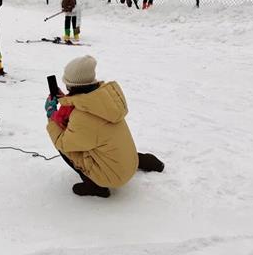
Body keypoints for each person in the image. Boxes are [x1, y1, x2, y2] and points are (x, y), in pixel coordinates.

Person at [45, 55, 164, 198]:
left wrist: (51, 116)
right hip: (131, 160)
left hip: (115, 176)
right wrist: (68, 100)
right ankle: (145, 161)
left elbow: (64, 142)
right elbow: (85, 109)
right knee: (109, 139)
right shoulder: (104, 100)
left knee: (63, 144)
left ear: (72, 86)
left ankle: (95, 187)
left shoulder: (82, 116)